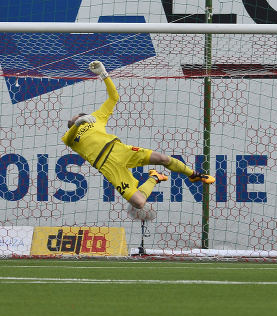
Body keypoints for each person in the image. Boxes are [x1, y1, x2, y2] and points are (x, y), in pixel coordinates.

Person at [62, 61, 215, 210]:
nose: (71, 119)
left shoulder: (96, 117)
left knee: (162, 158)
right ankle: (155, 177)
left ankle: (194, 174)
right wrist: (77, 124)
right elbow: (69, 139)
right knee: (139, 203)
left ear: (83, 114)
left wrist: (104, 74)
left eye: (75, 117)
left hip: (118, 149)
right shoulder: (69, 135)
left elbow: (114, 97)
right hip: (107, 166)